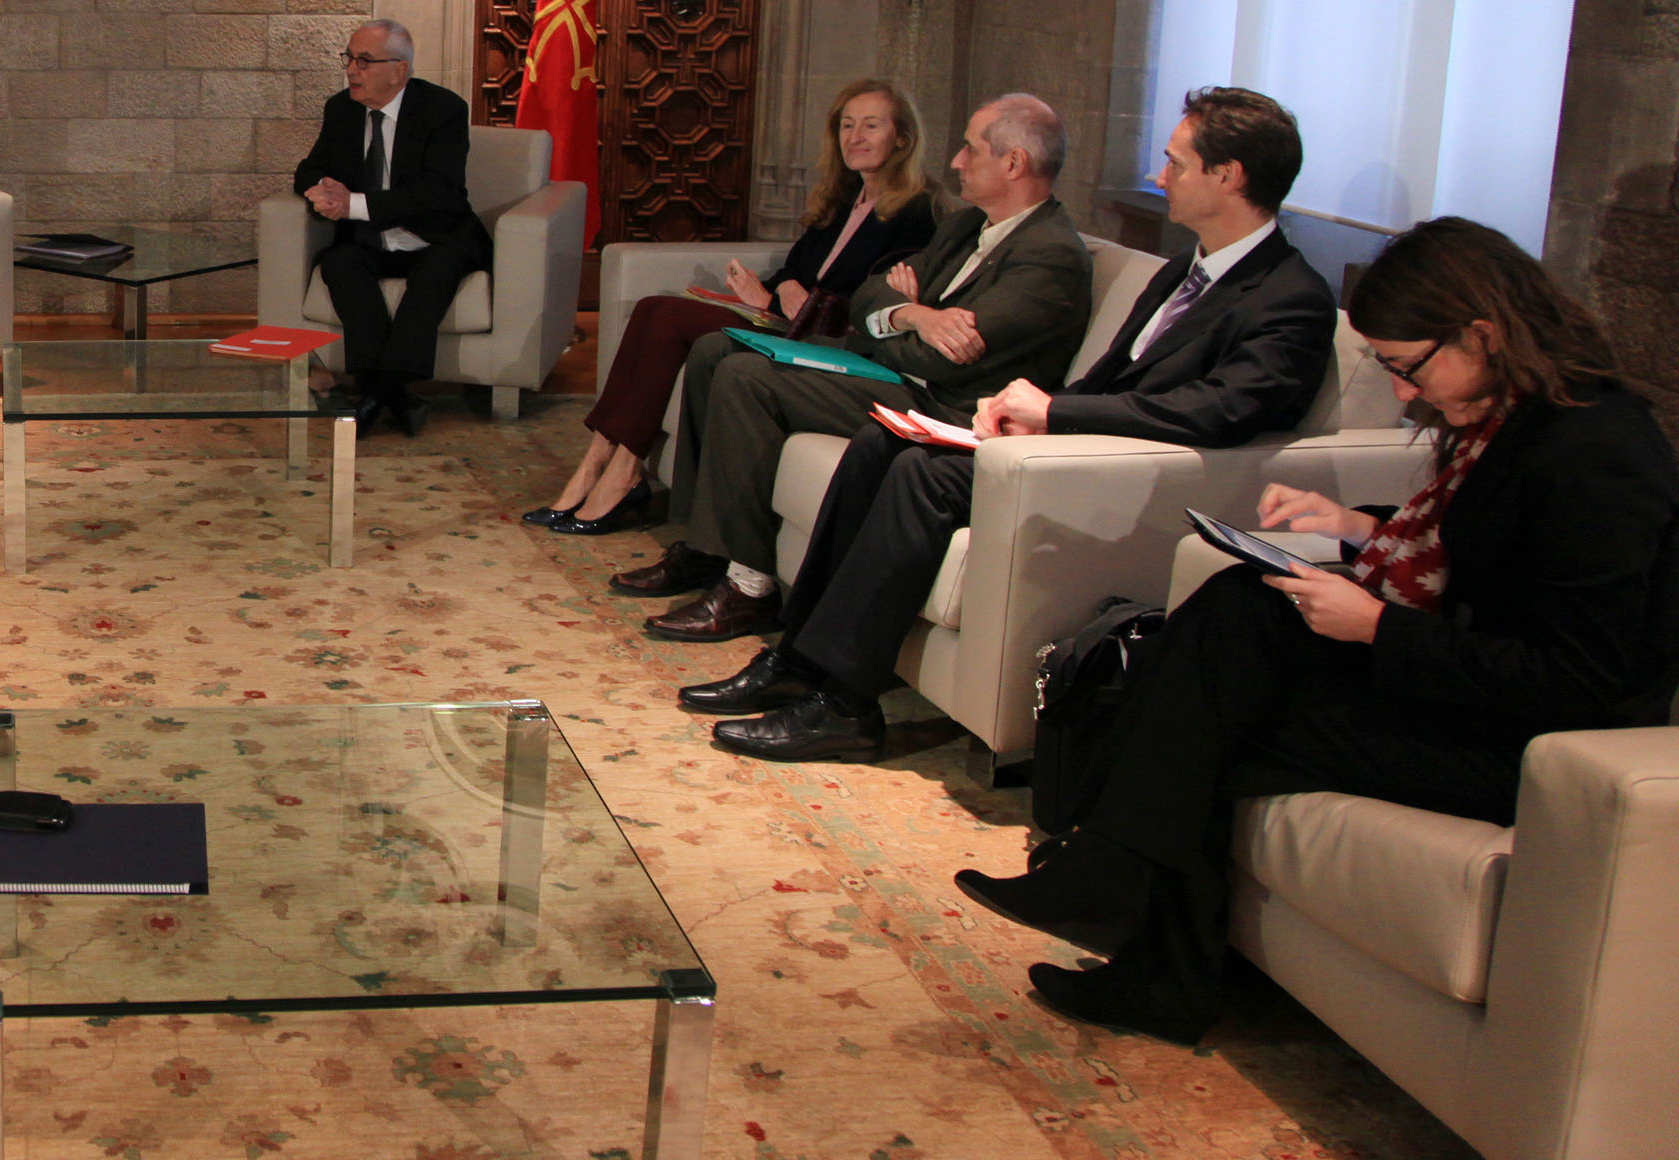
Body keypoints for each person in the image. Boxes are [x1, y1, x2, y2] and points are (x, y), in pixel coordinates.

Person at [951, 218, 1679, 1044]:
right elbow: (1486, 555)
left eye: (1408, 368)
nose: (1404, 396)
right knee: (1238, 605)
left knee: (1210, 723)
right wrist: (1361, 527)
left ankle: (1133, 918)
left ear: (1483, 333)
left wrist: (1378, 629)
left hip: (1530, 745)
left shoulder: (1599, 453)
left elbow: (1580, 677)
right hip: (1464, 688)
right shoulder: (1509, 419)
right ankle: (1120, 897)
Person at [701, 88, 1337, 760]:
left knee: (923, 476)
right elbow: (1114, 378)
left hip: (1133, 475)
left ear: (1228, 175)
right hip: (1080, 446)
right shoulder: (1187, 267)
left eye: (1176, 164)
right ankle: (801, 657)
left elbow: (1216, 409)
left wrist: (1057, 414)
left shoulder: (1290, 296)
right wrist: (1040, 417)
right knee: (883, 438)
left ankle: (845, 705)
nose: (1159, 177)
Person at [636, 93, 1093, 643]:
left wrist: (887, 330)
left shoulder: (1049, 254)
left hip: (941, 405)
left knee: (746, 378)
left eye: (971, 149)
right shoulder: (969, 225)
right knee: (718, 350)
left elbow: (943, 358)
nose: (956, 161)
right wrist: (914, 314)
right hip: (901, 376)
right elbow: (872, 294)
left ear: (1014, 163)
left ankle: (748, 589)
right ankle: (705, 549)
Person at [533, 79, 940, 540]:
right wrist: (781, 288)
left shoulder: (917, 213)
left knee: (666, 317)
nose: (856, 137)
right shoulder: (844, 199)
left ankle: (622, 474)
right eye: (847, 126)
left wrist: (779, 300)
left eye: (871, 125)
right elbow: (793, 270)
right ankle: (596, 462)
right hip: (784, 322)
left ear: (902, 138)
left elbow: (872, 306)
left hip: (828, 344)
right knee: (652, 309)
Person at [290, 19, 491, 437]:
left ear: (399, 70)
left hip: (436, 235)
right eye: (349, 58)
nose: (351, 70)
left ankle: (374, 392)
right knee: (340, 264)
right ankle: (396, 396)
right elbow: (308, 169)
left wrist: (353, 204)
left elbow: (437, 193)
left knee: (438, 270)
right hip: (371, 240)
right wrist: (323, 189)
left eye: (364, 61)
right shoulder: (341, 109)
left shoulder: (444, 110)